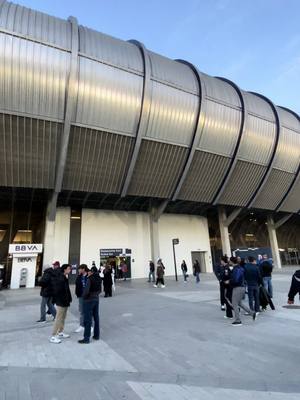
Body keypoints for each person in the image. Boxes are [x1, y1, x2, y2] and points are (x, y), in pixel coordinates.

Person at [229, 257, 256, 326]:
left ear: (232, 262)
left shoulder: (236, 269)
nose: (229, 262)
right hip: (242, 287)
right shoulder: (240, 268)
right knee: (240, 303)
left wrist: (229, 281)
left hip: (238, 288)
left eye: (230, 261)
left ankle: (238, 320)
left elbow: (236, 280)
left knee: (234, 304)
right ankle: (252, 313)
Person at [50, 264, 72, 344]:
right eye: (69, 269)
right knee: (58, 318)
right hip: (61, 301)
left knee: (63, 317)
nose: (70, 270)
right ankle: (53, 336)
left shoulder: (65, 278)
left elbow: (67, 290)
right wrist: (61, 299)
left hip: (65, 301)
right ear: (64, 269)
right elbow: (58, 291)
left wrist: (69, 298)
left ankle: (60, 332)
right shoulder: (60, 278)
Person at [78, 266, 101, 344]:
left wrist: (84, 297)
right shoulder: (99, 278)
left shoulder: (90, 279)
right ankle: (96, 335)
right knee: (96, 318)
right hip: (96, 299)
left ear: (92, 272)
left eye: (90, 271)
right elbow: (100, 290)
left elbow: (86, 291)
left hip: (88, 300)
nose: (89, 272)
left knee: (87, 319)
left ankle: (86, 338)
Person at [74, 264, 89, 333]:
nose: (78, 270)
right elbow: (77, 285)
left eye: (79, 269)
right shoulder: (79, 276)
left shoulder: (89, 276)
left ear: (83, 269)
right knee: (82, 311)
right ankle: (82, 325)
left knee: (89, 311)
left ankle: (90, 326)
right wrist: (77, 293)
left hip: (89, 296)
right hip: (81, 296)